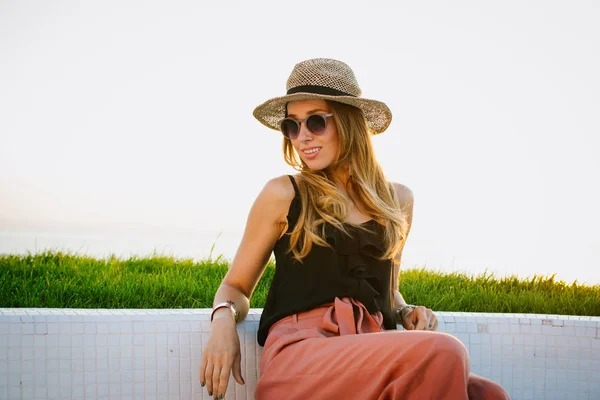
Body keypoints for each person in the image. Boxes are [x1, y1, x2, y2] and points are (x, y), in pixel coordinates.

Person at [199, 58, 509, 399]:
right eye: (292, 126)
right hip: (302, 358)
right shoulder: (284, 194)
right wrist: (223, 321)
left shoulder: (397, 201)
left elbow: (386, 290)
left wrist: (404, 310)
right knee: (445, 352)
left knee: (488, 393)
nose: (302, 138)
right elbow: (235, 287)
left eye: (316, 122)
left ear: (349, 123)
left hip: (369, 348)